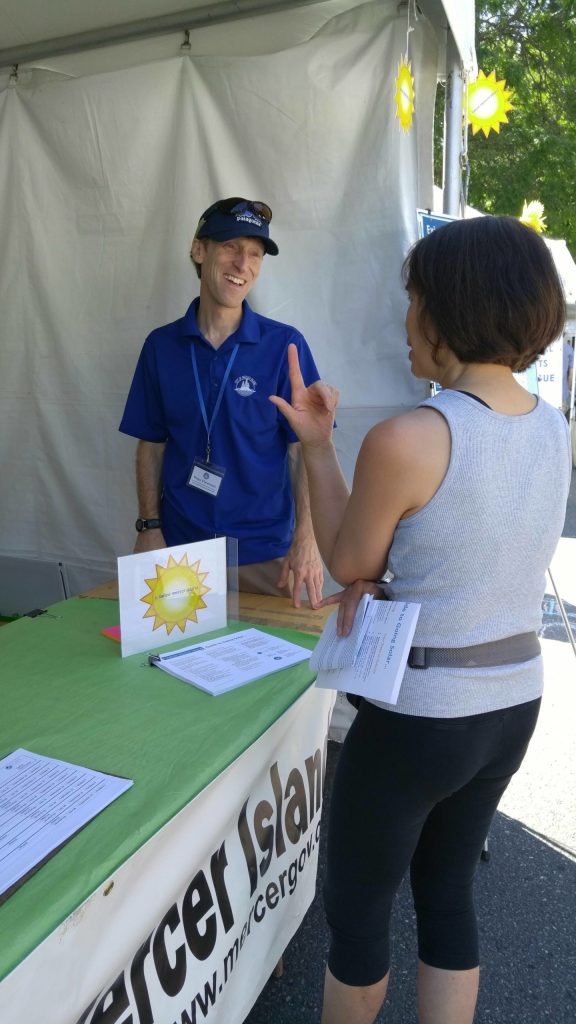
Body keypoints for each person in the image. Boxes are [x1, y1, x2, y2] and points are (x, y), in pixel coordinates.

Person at [270, 215, 572, 1024]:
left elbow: (349, 564)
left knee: (359, 913)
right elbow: (473, 557)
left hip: (419, 717)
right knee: (448, 896)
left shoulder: (412, 435)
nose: (405, 319)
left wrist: (319, 446)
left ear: (446, 310)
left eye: (413, 300)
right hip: (514, 701)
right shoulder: (553, 427)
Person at [120, 197, 323, 607]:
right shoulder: (161, 347)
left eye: (255, 254)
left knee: (273, 667)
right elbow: (151, 445)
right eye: (231, 246)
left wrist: (308, 537)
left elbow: (304, 450)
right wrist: (148, 527)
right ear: (200, 250)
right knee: (173, 667)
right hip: (180, 552)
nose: (242, 264)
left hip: (267, 555)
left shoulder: (284, 345)